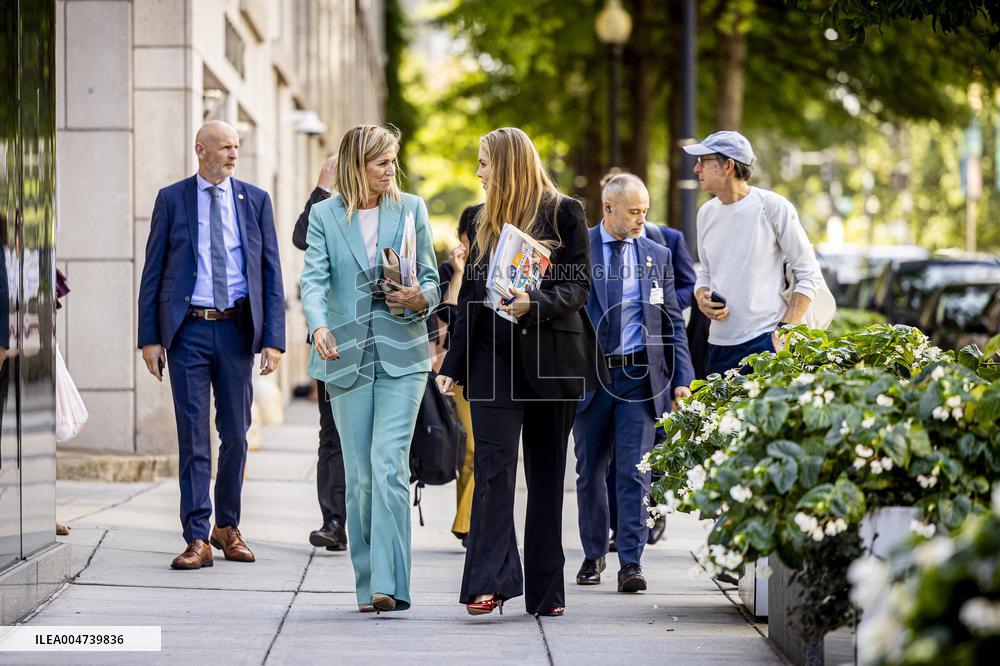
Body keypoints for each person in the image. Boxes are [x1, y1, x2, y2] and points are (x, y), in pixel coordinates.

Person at [436, 127, 605, 617]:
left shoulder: (564, 213)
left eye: (485, 163)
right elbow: (469, 298)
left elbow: (578, 289)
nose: (478, 172)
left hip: (554, 360)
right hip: (492, 361)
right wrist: (454, 364)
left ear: (508, 165)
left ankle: (547, 592)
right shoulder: (477, 218)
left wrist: (536, 303)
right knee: (493, 470)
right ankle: (488, 582)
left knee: (548, 477)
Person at [300, 124, 439, 613]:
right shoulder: (323, 215)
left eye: (393, 160)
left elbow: (434, 280)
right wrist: (317, 326)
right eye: (381, 162)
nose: (390, 170)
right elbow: (313, 280)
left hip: (403, 354)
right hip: (344, 355)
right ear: (357, 165)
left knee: (388, 466)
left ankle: (391, 583)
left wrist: (421, 295)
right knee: (359, 477)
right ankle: (367, 585)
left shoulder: (411, 209)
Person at [137, 120, 285, 570]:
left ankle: (228, 526)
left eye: (237, 147)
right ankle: (197, 535)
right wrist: (149, 337)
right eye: (225, 147)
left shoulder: (255, 200)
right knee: (194, 436)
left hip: (238, 329)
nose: (233, 155)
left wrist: (273, 340)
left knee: (237, 435)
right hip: (189, 330)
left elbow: (271, 274)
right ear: (200, 150)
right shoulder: (172, 198)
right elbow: (154, 270)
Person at [573, 173, 694, 592]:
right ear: (608, 209)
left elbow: (672, 322)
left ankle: (631, 562)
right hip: (591, 377)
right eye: (634, 211)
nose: (642, 218)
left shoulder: (656, 254)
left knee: (635, 472)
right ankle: (592, 556)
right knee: (590, 471)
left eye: (645, 210)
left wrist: (682, 379)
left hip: (640, 379)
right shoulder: (579, 249)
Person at [683, 130, 823, 376]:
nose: (696, 169)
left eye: (703, 162)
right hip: (715, 346)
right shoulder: (705, 213)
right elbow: (705, 273)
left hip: (764, 345)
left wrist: (781, 335)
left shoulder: (773, 207)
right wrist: (702, 296)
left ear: (727, 166)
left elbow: (809, 274)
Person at [292, 155, 347, 553]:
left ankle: (363, 518)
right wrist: (323, 186)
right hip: (331, 342)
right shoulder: (327, 209)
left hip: (374, 342)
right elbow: (300, 237)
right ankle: (333, 521)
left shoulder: (388, 209)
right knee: (331, 432)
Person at [434, 209, 475, 544]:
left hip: (488, 366)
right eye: (465, 241)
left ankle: (467, 523)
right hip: (457, 368)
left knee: (475, 449)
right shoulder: (448, 271)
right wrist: (459, 273)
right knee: (470, 448)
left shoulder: (495, 266)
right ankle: (467, 523)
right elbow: (448, 317)